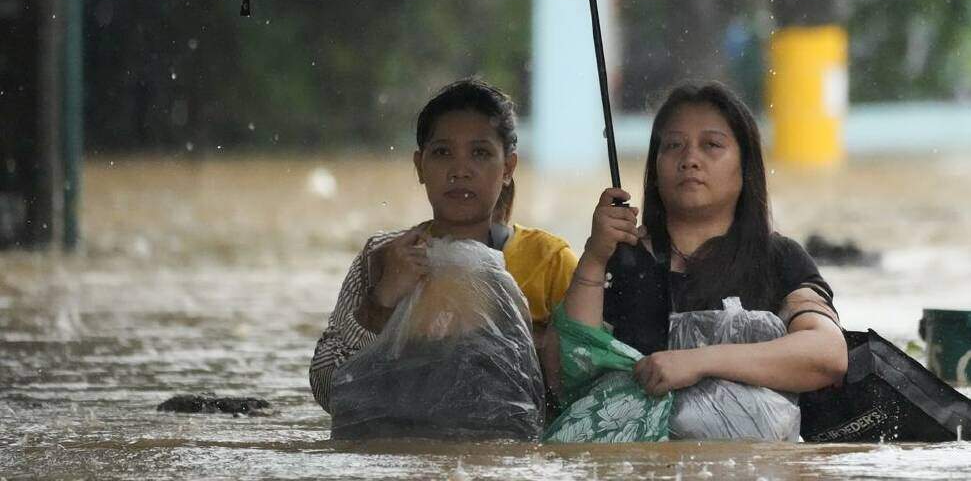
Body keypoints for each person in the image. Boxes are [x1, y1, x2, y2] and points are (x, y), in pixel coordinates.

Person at [551, 82, 846, 400]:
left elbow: (828, 354)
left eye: (712, 145)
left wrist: (699, 362)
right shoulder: (619, 259)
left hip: (749, 450)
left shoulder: (776, 258)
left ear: (745, 167)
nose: (690, 158)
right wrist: (594, 258)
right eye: (674, 145)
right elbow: (561, 375)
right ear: (656, 167)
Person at [309, 78, 578, 412]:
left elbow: (586, 385)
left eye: (480, 153)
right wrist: (381, 303)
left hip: (507, 459)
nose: (460, 170)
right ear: (420, 166)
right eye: (442, 153)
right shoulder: (384, 256)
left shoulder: (550, 261)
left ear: (508, 168)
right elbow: (327, 390)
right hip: (405, 455)